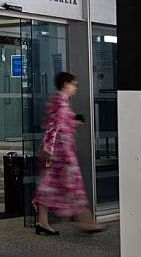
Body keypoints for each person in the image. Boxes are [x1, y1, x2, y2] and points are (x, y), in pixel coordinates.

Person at [32, 72, 104, 235]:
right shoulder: (61, 103)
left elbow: (57, 124)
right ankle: (87, 223)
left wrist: (73, 122)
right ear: (66, 84)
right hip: (61, 155)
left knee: (47, 187)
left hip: (56, 153)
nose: (75, 88)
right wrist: (50, 150)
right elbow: (54, 127)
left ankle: (42, 222)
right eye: (74, 85)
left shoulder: (58, 102)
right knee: (74, 185)